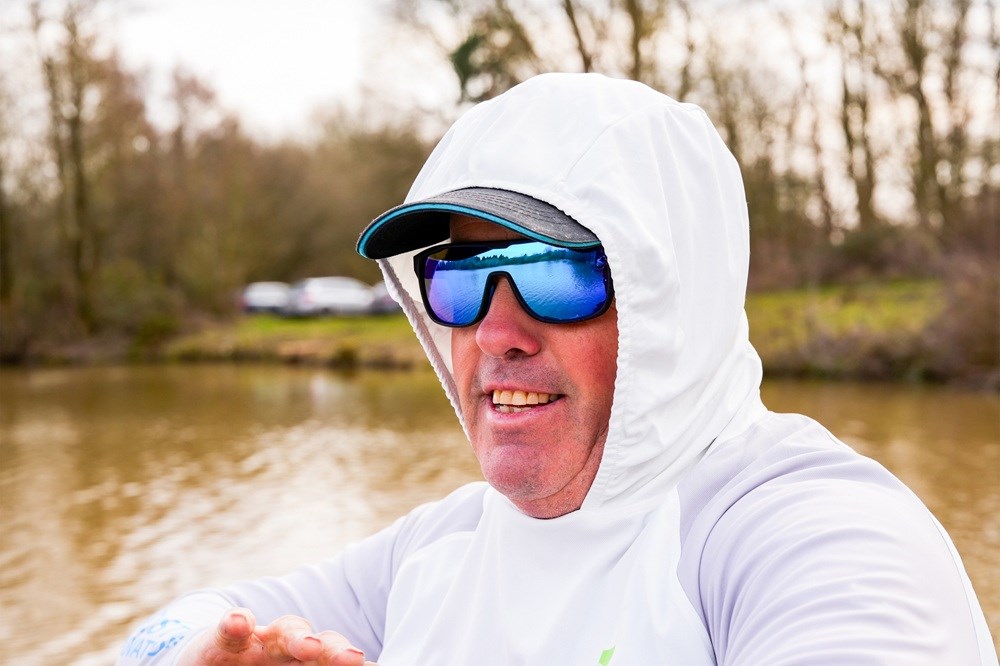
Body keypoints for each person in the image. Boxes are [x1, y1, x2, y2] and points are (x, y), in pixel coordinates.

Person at [118, 73, 996, 665]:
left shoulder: (811, 537)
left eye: (554, 274)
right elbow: (156, 633)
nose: (496, 331)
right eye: (458, 279)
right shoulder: (440, 548)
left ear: (669, 296)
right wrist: (208, 655)